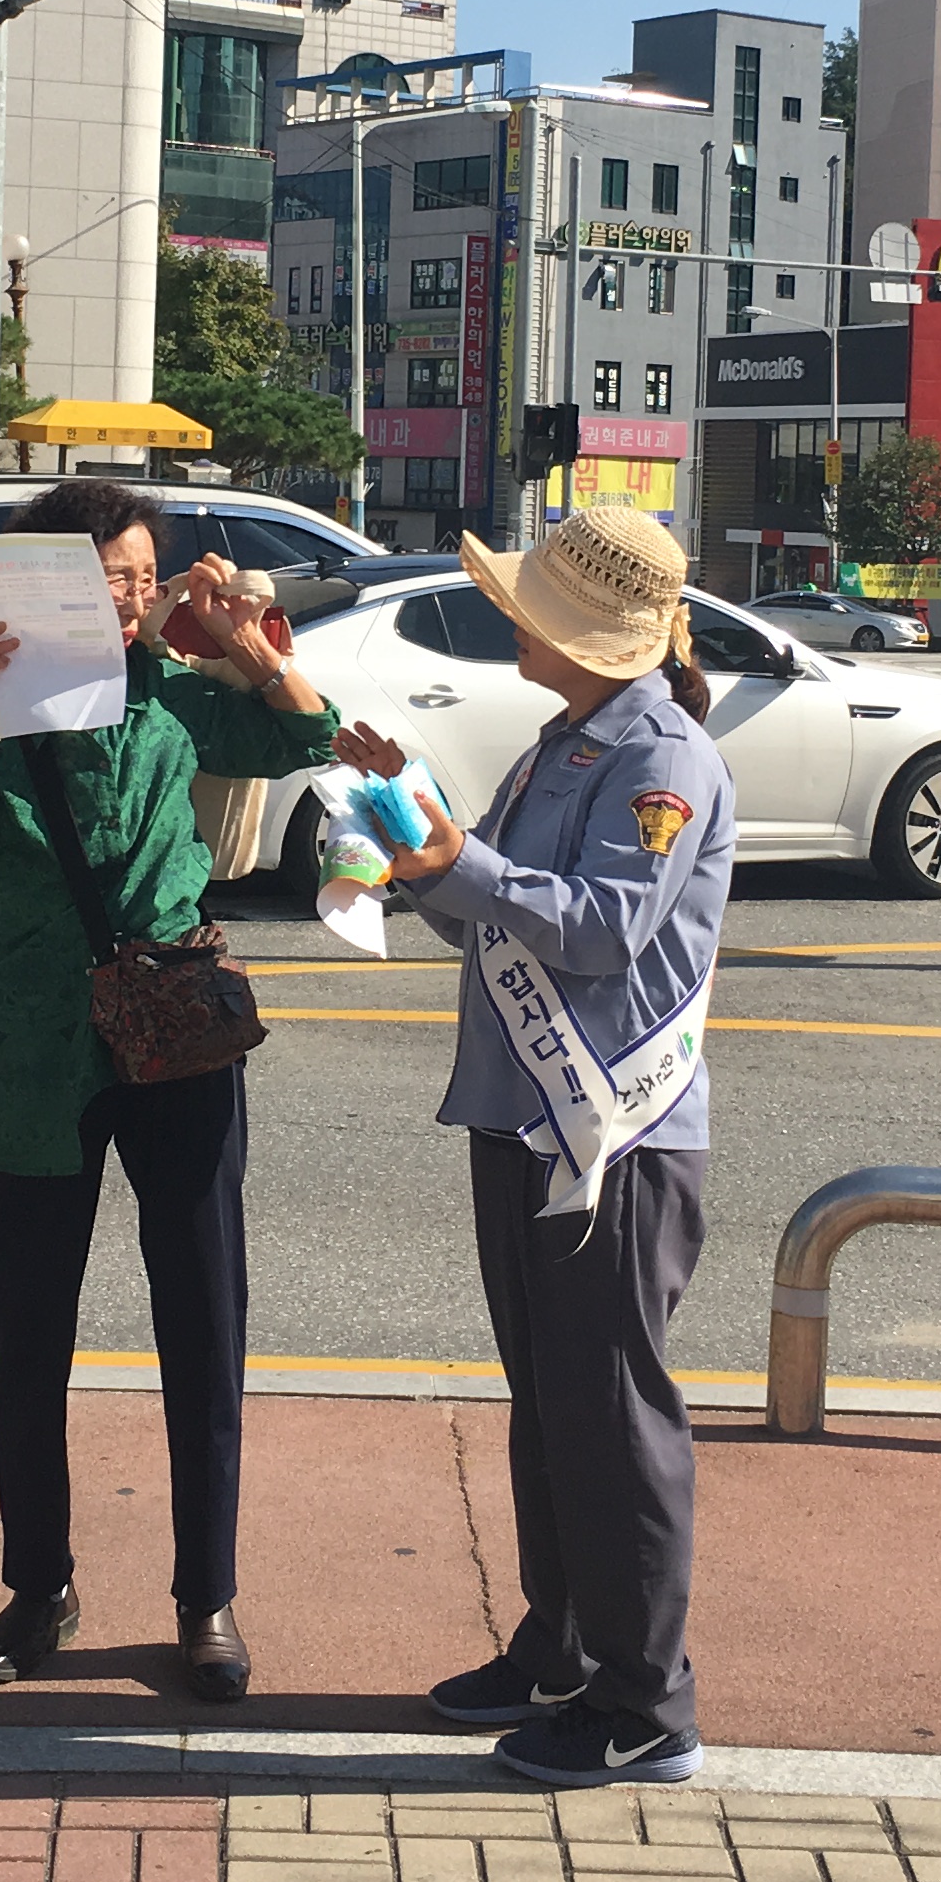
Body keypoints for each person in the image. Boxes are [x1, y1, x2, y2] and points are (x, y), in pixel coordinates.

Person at [0, 475, 339, 1704]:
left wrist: (247, 642)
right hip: (42, 1051)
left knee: (203, 1317)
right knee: (27, 1329)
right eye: (113, 581)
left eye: (145, 581)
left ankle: (208, 1598)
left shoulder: (173, 698)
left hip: (177, 1035)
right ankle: (37, 1585)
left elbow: (307, 737)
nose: (135, 602)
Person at [332, 504, 734, 1788]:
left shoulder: (661, 758)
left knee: (612, 1417)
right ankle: (560, 1650)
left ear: (594, 637)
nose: (511, 619)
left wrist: (461, 859)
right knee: (553, 1404)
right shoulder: (565, 743)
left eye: (532, 609)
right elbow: (493, 920)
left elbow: (605, 926)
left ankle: (645, 1702)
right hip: (524, 1113)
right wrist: (421, 838)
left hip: (614, 1136)